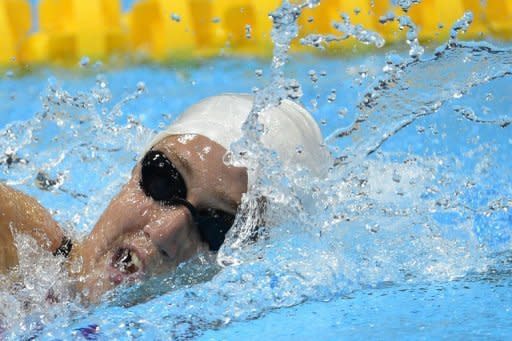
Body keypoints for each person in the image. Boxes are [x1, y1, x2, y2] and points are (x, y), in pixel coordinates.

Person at [0, 93, 331, 301]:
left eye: (216, 226)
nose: (163, 233)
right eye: (163, 181)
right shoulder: (15, 241)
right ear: (135, 169)